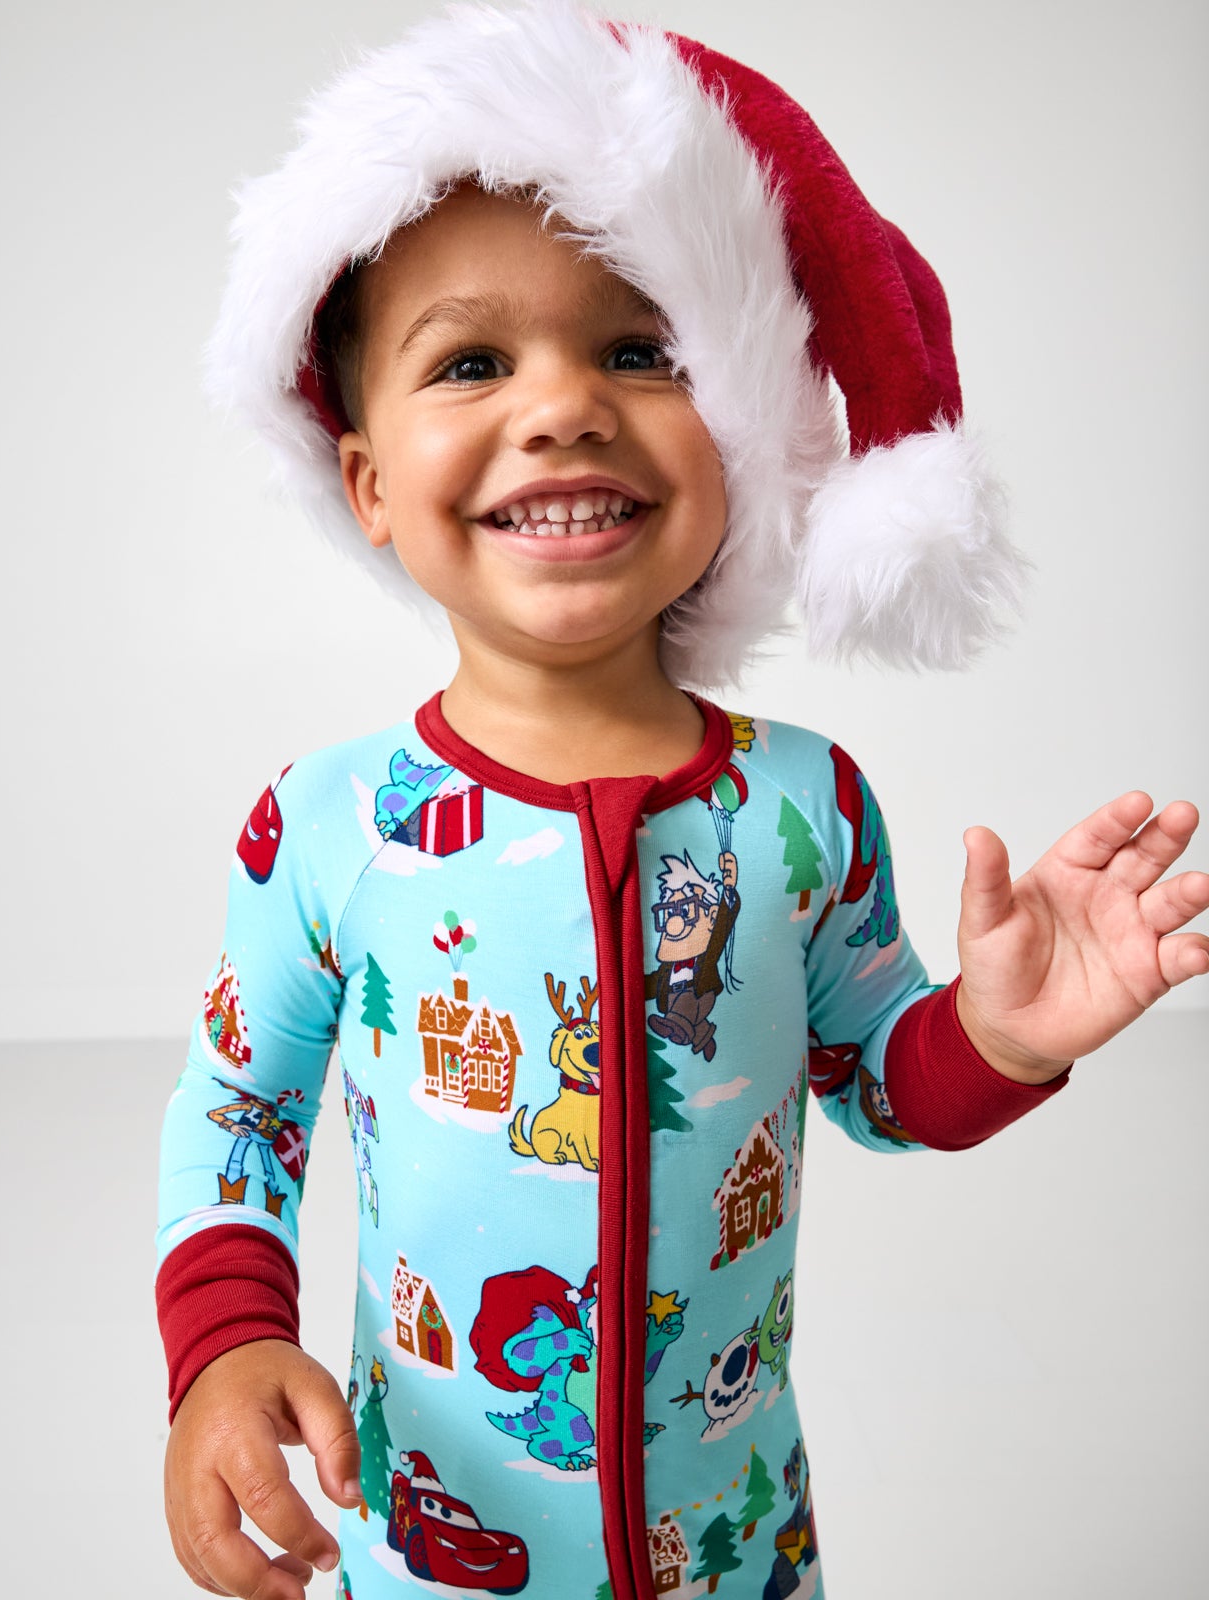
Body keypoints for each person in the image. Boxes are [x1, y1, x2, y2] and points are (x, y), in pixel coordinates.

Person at [155, 6, 1209, 1598]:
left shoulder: (801, 807)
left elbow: (873, 1079)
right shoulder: (327, 825)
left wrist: (1002, 1035)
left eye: (639, 350)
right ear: (368, 481)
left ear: (745, 429)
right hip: (427, 1556)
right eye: (472, 360)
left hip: (738, 1551)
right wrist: (223, 1351)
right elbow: (238, 1111)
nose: (564, 404)